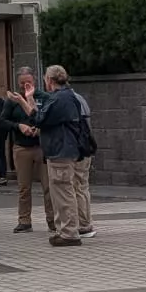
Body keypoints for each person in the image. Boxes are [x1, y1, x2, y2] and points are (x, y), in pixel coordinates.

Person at [35, 64, 97, 246]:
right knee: (74, 188)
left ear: (49, 80)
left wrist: (27, 102)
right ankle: (74, 227)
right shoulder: (71, 96)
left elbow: (40, 119)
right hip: (72, 149)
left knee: (65, 190)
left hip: (62, 150)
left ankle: (70, 232)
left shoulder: (60, 99)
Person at [5, 66, 52, 234]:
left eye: (29, 82)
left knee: (48, 186)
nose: (25, 85)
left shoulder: (44, 97)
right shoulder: (13, 100)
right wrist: (19, 126)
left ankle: (52, 220)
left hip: (41, 147)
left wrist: (40, 129)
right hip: (22, 147)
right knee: (24, 187)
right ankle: (24, 221)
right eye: (22, 83)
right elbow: (2, 121)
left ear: (35, 81)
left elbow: (48, 118)